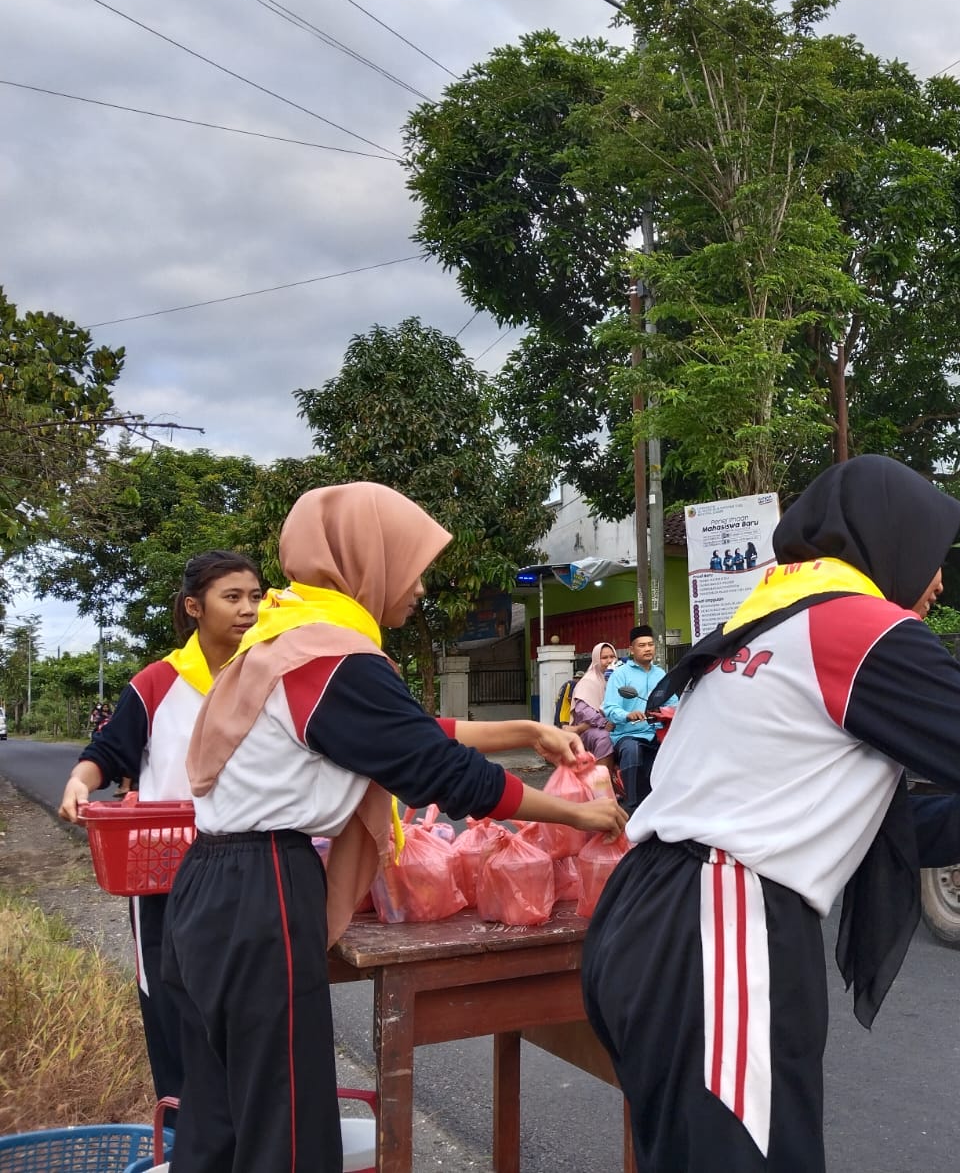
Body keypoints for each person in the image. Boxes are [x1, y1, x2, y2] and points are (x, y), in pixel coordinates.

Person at [581, 454, 960, 1173]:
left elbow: (875, 829)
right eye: (933, 555)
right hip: (720, 925)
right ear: (892, 544)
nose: (939, 582)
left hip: (656, 917)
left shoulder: (768, 625)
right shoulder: (856, 628)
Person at [163, 483, 627, 1173]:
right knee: (283, 1128)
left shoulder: (289, 637)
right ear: (365, 562)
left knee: (220, 1118)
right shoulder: (330, 656)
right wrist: (577, 813)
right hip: (258, 893)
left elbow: (398, 731)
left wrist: (524, 731)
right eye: (411, 568)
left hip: (211, 886)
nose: (418, 588)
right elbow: (436, 769)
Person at [58, 551, 264, 1108]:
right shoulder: (157, 683)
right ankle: (180, 1130)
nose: (247, 609)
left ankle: (246, 1131)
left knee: (246, 1010)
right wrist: (79, 781)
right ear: (194, 607)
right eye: (232, 597)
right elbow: (108, 751)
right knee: (173, 1006)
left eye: (255, 596)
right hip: (164, 872)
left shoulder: (270, 674)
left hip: (250, 866)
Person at [603, 625, 676, 807]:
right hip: (628, 734)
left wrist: (670, 711)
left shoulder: (661, 674)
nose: (647, 649)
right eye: (642, 645)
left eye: (650, 644)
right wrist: (628, 715)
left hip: (657, 732)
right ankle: (634, 805)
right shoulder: (620, 675)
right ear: (632, 649)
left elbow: (673, 702)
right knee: (632, 751)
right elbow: (610, 707)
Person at [567, 641, 618, 776]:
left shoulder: (618, 678)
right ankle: (601, 781)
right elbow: (583, 710)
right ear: (596, 660)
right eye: (604, 658)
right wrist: (603, 722)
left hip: (616, 724)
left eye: (612, 657)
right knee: (605, 738)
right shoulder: (589, 681)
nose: (609, 661)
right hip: (590, 728)